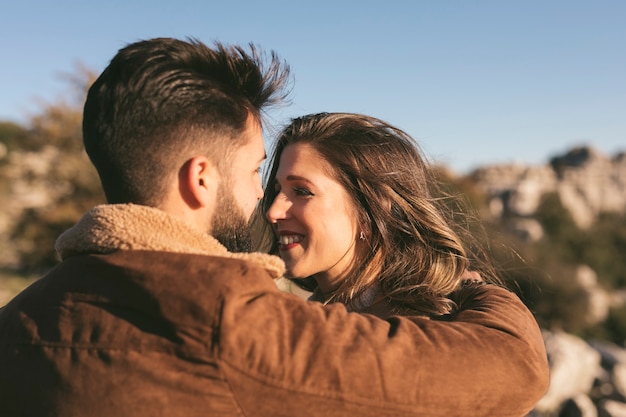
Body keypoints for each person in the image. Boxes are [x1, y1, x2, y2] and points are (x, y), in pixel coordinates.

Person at [0, 37, 548, 417]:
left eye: (298, 190)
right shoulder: (233, 322)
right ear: (201, 179)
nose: (266, 206)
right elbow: (515, 367)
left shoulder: (22, 316)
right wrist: (481, 290)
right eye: (257, 172)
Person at [258, 112, 498, 317]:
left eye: (302, 191)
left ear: (371, 210)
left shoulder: (421, 327)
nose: (273, 212)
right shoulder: (316, 314)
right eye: (278, 191)